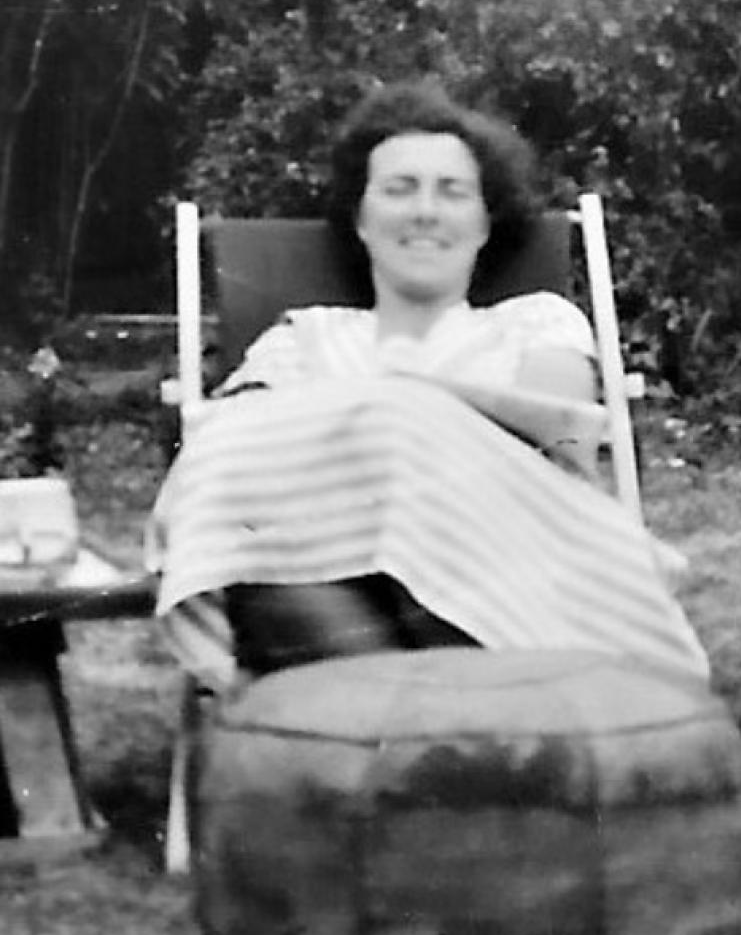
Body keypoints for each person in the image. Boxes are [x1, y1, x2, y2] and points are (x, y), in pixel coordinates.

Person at [147, 80, 707, 688]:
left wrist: (391, 430)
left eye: (452, 192)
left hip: (500, 581)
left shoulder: (534, 323)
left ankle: (416, 741)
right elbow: (232, 462)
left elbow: (557, 446)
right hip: (333, 583)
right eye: (399, 189)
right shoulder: (302, 338)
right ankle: (454, 740)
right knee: (271, 588)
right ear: (360, 219)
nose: (424, 211)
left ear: (485, 222)